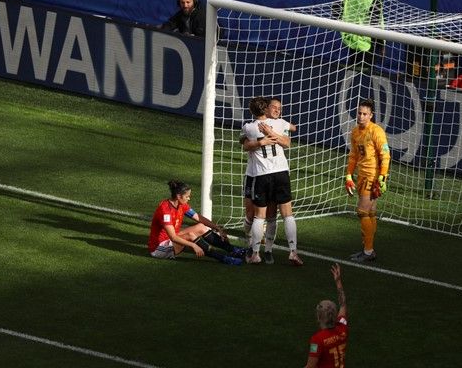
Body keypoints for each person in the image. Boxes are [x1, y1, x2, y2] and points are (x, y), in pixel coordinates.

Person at [241, 96, 303, 265]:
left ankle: (256, 253)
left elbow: (244, 145)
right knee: (287, 215)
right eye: (274, 107)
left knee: (259, 217)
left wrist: (265, 137)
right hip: (281, 173)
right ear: (266, 109)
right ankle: (292, 252)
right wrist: (272, 134)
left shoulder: (248, 127)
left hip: (261, 175)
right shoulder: (281, 123)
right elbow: (293, 130)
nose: (277, 110)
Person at [148, 179, 245, 265]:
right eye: (187, 196)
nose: (189, 198)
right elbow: (173, 237)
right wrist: (193, 245)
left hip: (172, 239)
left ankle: (234, 250)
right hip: (159, 248)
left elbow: (198, 218)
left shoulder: (181, 205)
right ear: (178, 196)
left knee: (201, 227)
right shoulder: (165, 211)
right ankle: (223, 258)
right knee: (190, 235)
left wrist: (217, 228)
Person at [344, 98, 391, 262]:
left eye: (365, 114)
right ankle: (368, 248)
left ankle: (368, 251)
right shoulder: (355, 132)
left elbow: (385, 155)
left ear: (371, 115)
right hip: (361, 176)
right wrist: (349, 175)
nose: (361, 116)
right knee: (370, 213)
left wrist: (382, 177)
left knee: (362, 212)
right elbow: (353, 156)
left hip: (372, 177)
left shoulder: (376, 131)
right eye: (359, 113)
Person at [304, 264, 348, 368]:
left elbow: (310, 366)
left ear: (319, 318)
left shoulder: (317, 340)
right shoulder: (343, 329)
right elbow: (343, 305)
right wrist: (338, 282)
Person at [339, 0, 384, 70]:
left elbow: (336, 7)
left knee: (353, 68)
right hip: (366, 44)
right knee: (364, 73)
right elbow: (375, 24)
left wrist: (343, 22)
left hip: (350, 38)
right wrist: (380, 46)